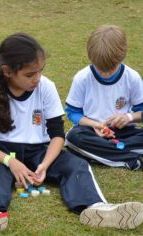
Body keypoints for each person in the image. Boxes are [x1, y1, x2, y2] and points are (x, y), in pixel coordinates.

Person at [0, 33, 143, 233]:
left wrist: (44, 165)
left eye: (40, 71)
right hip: (1, 153)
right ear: (7, 71)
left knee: (76, 165)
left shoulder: (46, 86)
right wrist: (11, 162)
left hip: (39, 151)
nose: (37, 78)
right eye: (30, 75)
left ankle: (96, 207)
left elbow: (57, 135)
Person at [65, 25, 143, 170]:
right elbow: (72, 113)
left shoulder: (132, 78)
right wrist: (95, 124)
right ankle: (131, 159)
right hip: (91, 132)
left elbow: (141, 112)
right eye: (100, 68)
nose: (105, 74)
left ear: (122, 56)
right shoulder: (82, 78)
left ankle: (105, 153)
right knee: (73, 138)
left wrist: (129, 117)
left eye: (111, 68)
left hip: (125, 132)